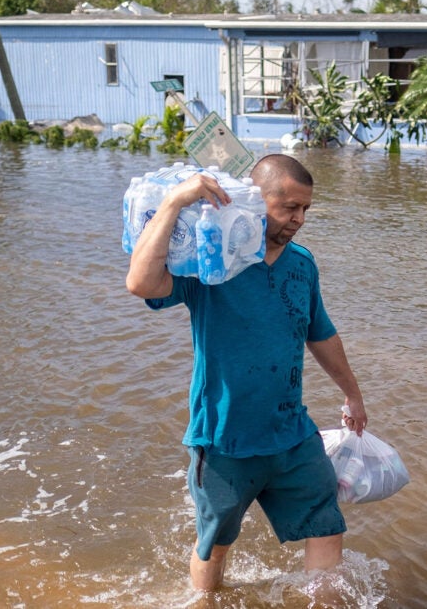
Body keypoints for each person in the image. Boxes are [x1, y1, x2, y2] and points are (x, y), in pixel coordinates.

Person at [125, 153, 369, 592]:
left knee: (327, 526)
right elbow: (141, 283)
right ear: (256, 201)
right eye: (289, 207)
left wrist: (352, 394)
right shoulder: (212, 261)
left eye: (306, 209)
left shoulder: (301, 264)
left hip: (292, 433)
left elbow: (321, 334)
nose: (299, 219)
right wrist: (173, 204)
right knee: (215, 546)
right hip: (223, 440)